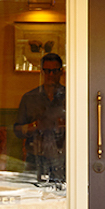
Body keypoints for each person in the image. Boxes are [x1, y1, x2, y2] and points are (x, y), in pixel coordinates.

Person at [13, 53, 66, 183]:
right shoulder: (29, 98)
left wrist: (64, 126)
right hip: (35, 158)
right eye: (47, 71)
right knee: (32, 196)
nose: (51, 75)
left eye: (55, 71)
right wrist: (34, 126)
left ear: (61, 72)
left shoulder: (71, 96)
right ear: (42, 72)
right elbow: (17, 131)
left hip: (64, 158)